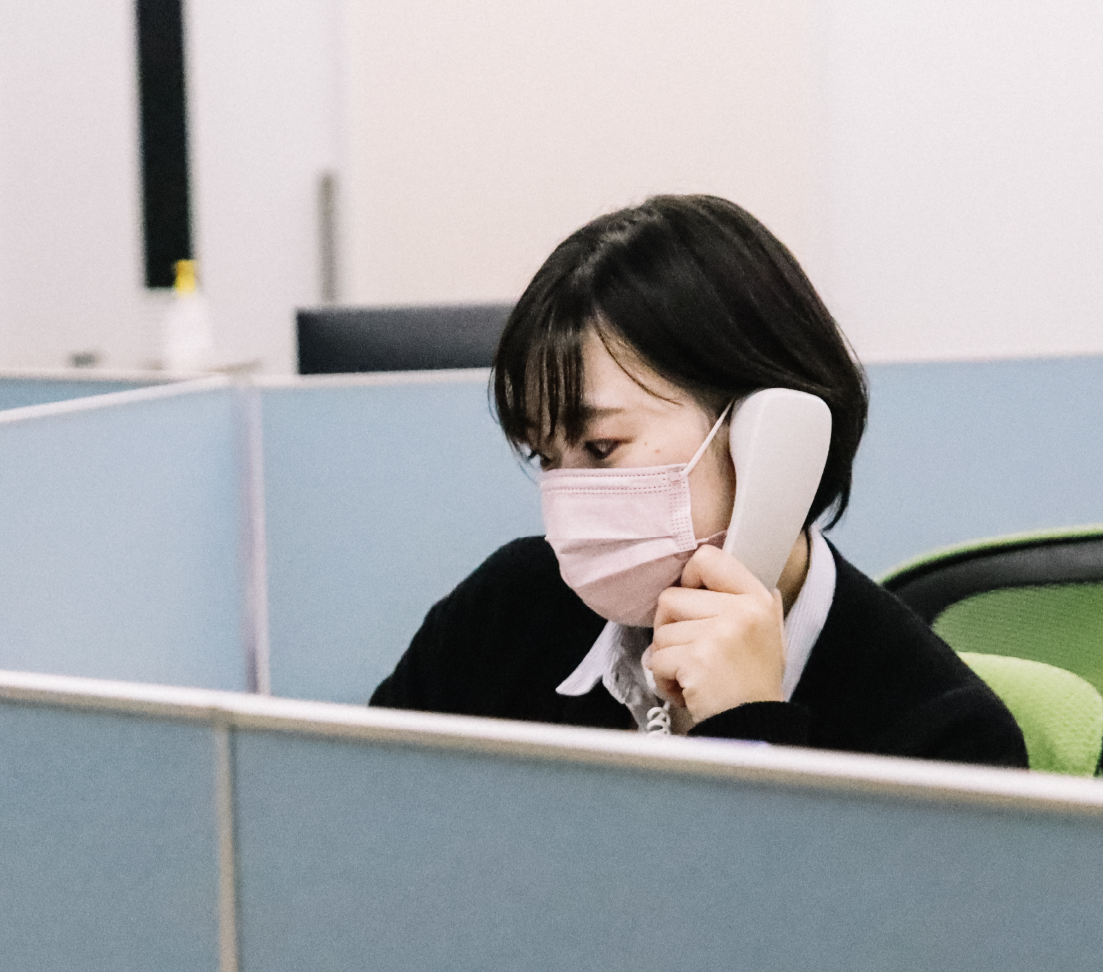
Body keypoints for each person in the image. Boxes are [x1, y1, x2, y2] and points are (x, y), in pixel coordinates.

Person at [370, 194, 1027, 768]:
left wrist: (747, 729)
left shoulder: (944, 737)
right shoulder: (503, 617)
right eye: (547, 457)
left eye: (601, 447)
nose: (568, 503)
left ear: (772, 438)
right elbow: (359, 828)